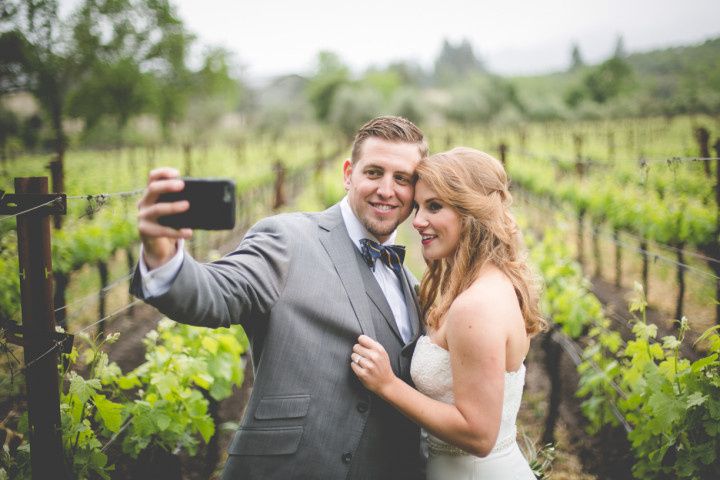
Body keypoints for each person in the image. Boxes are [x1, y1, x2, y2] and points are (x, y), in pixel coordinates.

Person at [131, 116, 429, 479]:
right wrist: (163, 258)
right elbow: (214, 294)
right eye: (374, 172)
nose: (387, 189)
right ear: (348, 173)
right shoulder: (287, 239)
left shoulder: (413, 284)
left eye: (402, 179)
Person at [350, 147, 546, 480]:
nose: (418, 221)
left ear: (471, 212)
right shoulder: (485, 283)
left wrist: (387, 385)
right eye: (418, 207)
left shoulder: (476, 307)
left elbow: (479, 435)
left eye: (435, 206)